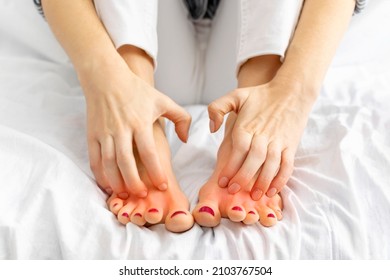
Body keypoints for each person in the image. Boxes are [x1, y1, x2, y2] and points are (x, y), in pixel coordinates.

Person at [37, 0, 366, 232]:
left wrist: (292, 94)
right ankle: (136, 106)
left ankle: (254, 112)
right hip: (148, 47)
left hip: (251, 46)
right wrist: (105, 81)